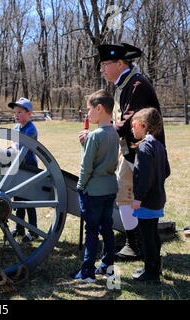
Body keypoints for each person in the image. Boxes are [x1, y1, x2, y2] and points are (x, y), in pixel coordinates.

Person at [80, 43, 165, 261]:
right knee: (125, 195)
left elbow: (129, 121)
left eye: (105, 64)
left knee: (134, 196)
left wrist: (102, 133)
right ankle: (136, 243)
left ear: (120, 63)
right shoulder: (126, 84)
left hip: (142, 153)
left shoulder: (137, 85)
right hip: (132, 152)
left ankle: (140, 245)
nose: (101, 69)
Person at [72, 90, 119, 283]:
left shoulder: (94, 136)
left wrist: (80, 186)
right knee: (107, 228)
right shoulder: (114, 133)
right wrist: (87, 142)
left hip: (93, 190)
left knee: (91, 231)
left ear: (99, 109)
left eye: (90, 109)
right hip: (110, 187)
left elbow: (86, 166)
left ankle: (88, 272)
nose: (87, 113)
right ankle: (108, 266)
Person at [130, 108, 170, 282]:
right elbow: (166, 171)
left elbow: (145, 177)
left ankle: (151, 273)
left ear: (144, 125)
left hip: (146, 200)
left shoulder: (145, 148)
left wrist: (138, 197)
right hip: (158, 198)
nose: (132, 129)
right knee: (153, 234)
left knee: (147, 237)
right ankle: (153, 266)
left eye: (134, 125)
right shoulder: (159, 145)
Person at [8, 97, 39, 243]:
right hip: (17, 167)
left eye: (20, 112)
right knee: (18, 200)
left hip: (29, 167)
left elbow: (21, 148)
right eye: (15, 112)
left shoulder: (31, 129)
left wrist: (13, 147)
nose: (17, 115)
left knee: (29, 202)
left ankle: (33, 231)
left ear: (29, 113)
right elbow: (13, 146)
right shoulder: (15, 129)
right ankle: (19, 228)